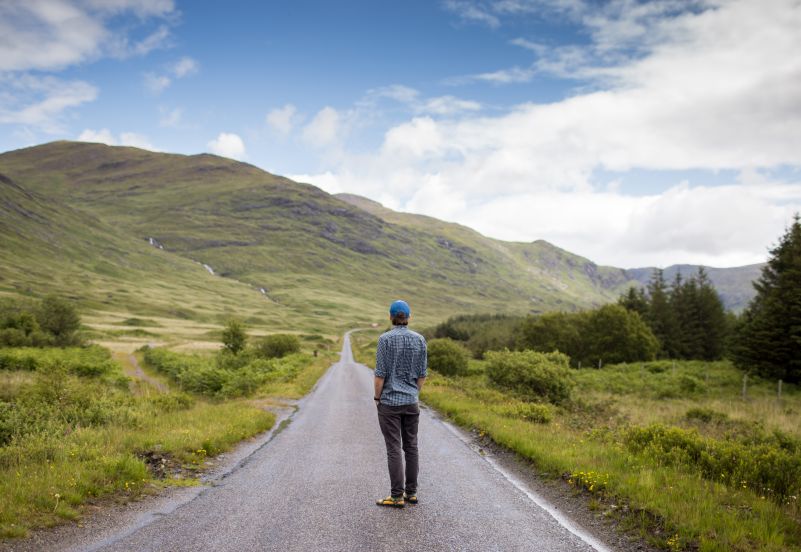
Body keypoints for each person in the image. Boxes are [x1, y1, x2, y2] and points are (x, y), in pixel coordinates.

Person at [374, 299, 427, 508]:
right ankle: (411, 493)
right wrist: (413, 393)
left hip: (389, 403)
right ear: (408, 318)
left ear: (390, 317)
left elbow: (380, 375)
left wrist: (377, 398)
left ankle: (396, 496)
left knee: (394, 447)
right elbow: (422, 375)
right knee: (411, 446)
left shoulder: (384, 340)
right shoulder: (420, 340)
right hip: (411, 401)